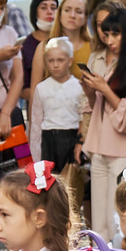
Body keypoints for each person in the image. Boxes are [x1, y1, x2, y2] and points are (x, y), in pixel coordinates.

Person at [82, 5, 126, 242]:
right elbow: (96, 106)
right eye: (107, 34)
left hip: (121, 148)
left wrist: (104, 88)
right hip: (99, 144)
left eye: (116, 34)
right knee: (99, 217)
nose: (110, 39)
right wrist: (90, 89)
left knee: (116, 216)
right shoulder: (101, 59)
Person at [31, 38, 85, 169]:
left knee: (71, 181)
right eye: (51, 61)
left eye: (60, 60)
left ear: (70, 61)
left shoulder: (79, 86)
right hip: (49, 140)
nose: (55, 65)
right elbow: (36, 123)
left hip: (72, 138)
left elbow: (83, 118)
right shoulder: (41, 88)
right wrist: (35, 157)